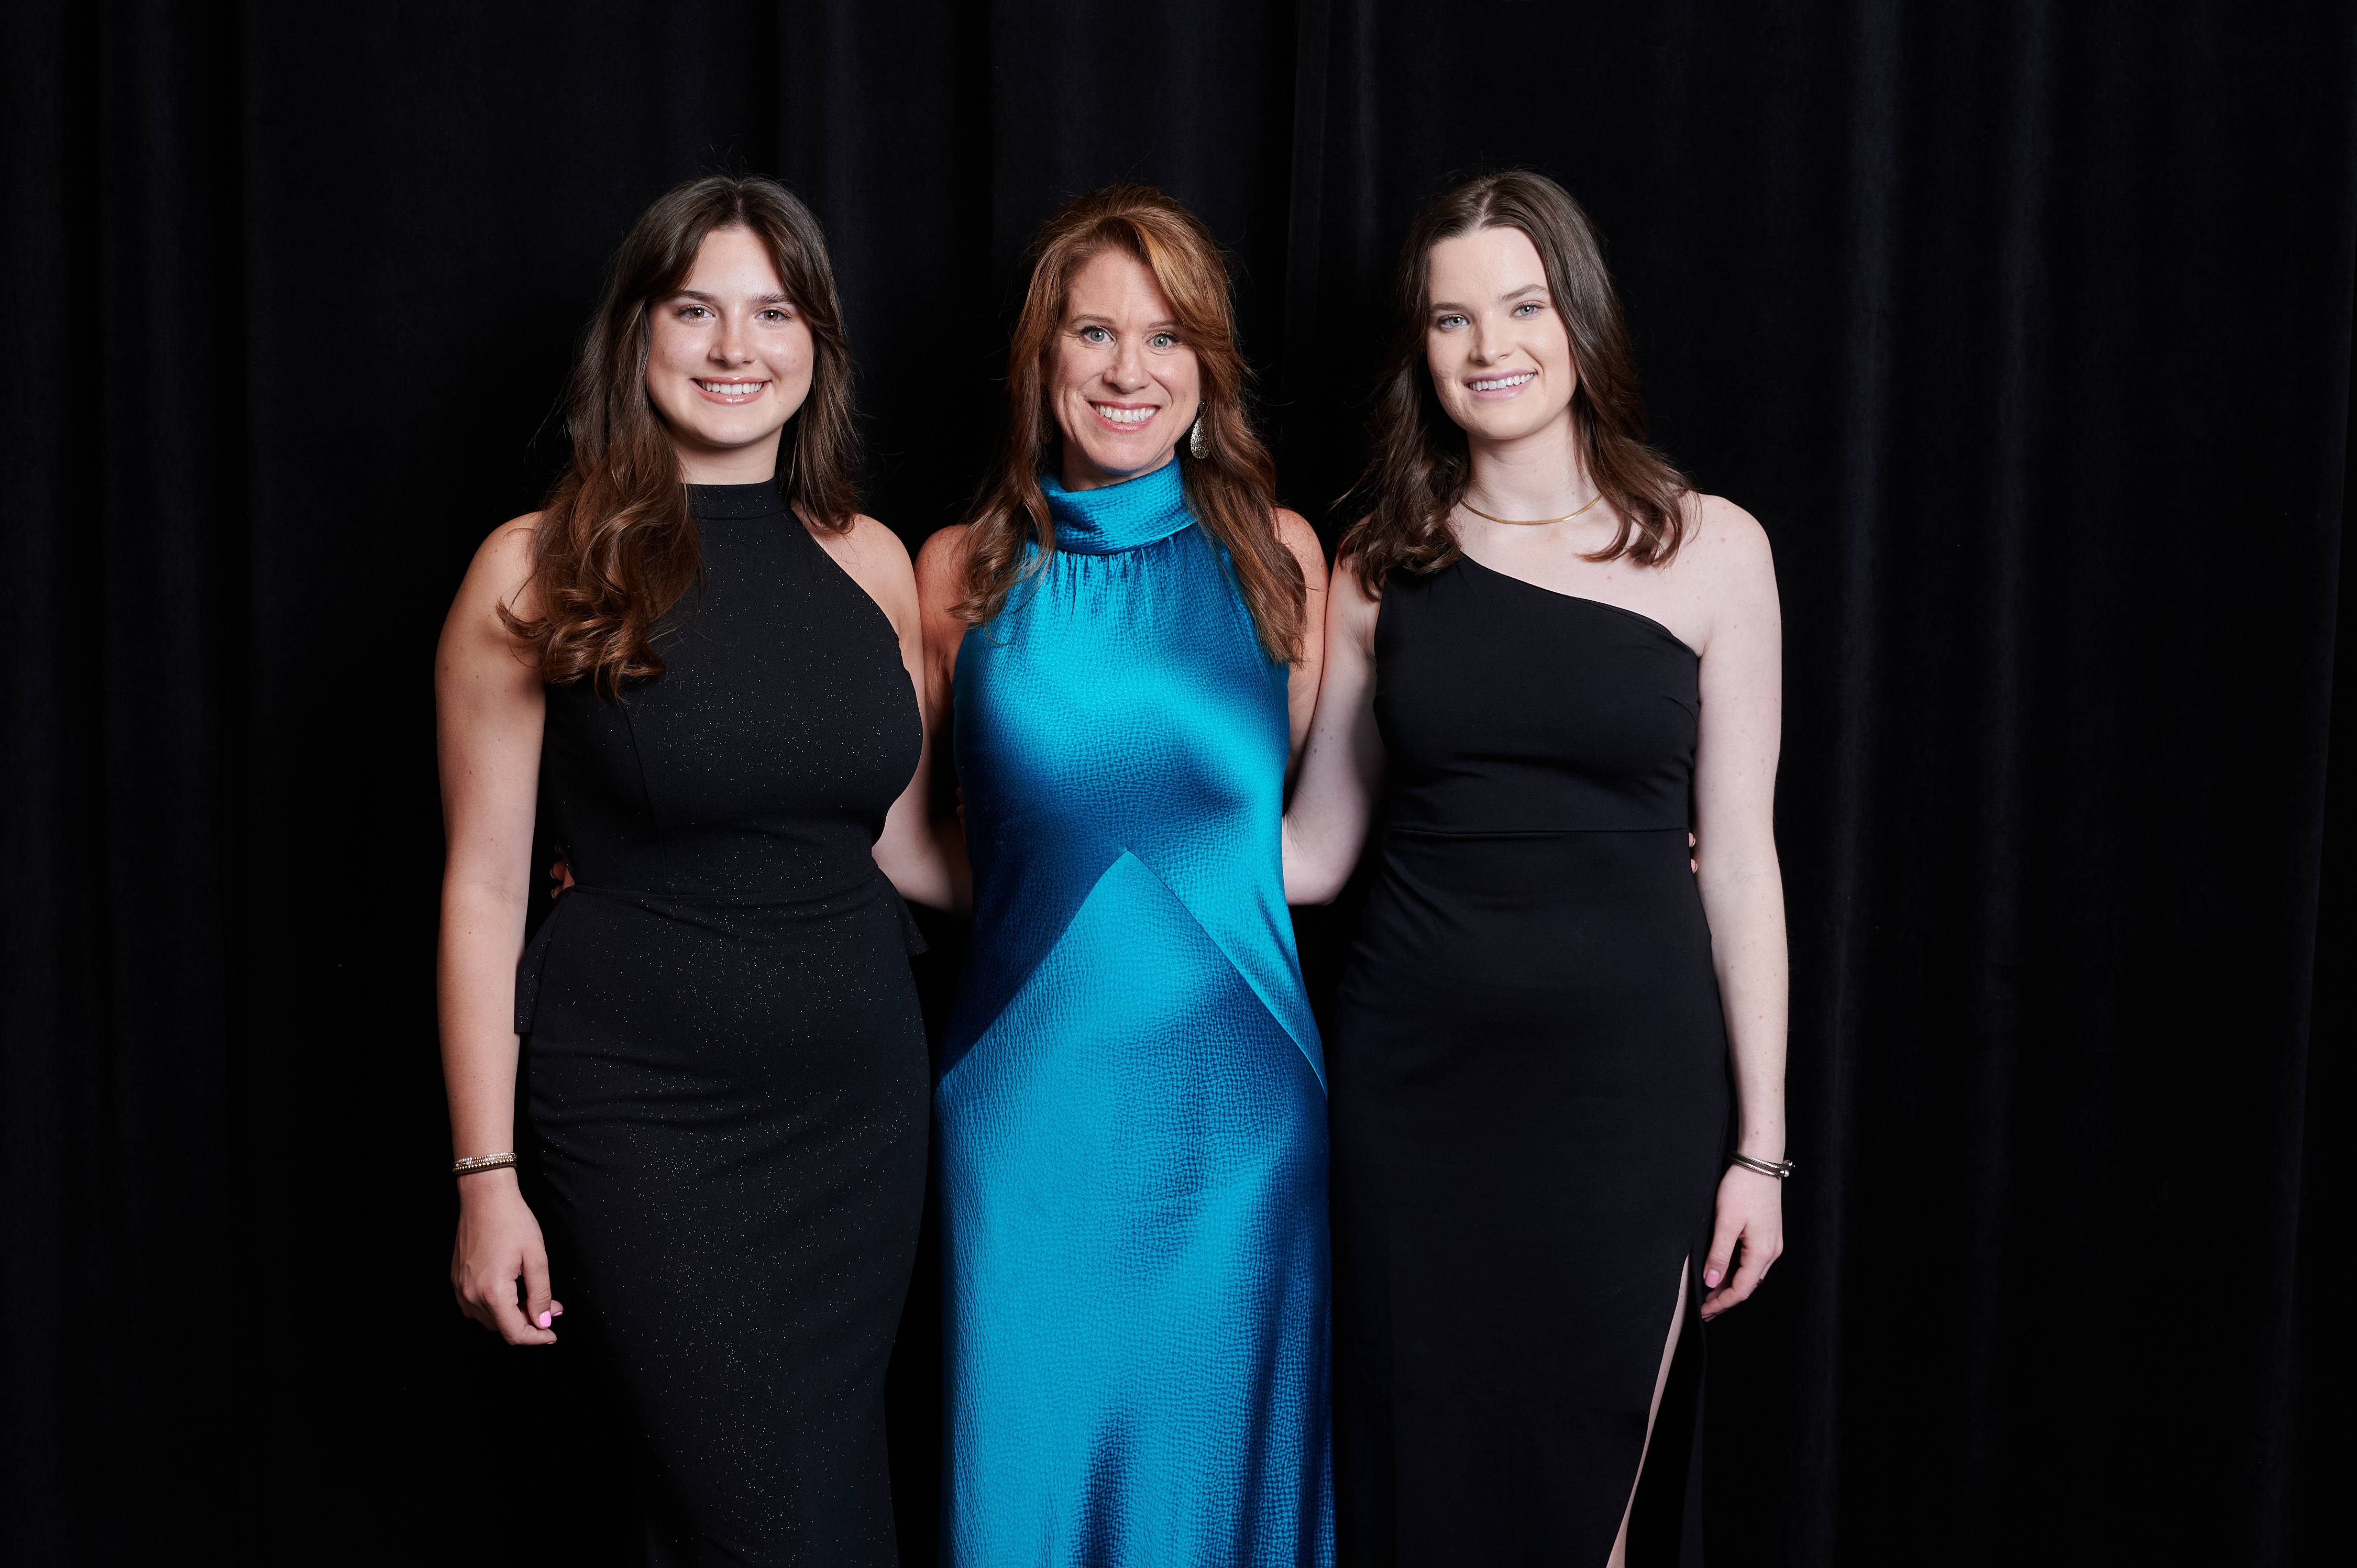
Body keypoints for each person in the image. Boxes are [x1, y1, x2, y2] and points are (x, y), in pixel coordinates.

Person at [435, 174, 949, 1563]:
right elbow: (484, 889)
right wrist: (486, 1177)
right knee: (766, 1519)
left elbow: (903, 845)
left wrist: (1144, 866)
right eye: (695, 310)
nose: (736, 347)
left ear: (817, 342)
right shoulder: (534, 568)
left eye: (774, 312)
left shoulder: (873, 560)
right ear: (637, 335)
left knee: (811, 1506)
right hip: (648, 1118)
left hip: (859, 1114)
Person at [1283, 169, 1790, 1566]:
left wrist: (1760, 1150)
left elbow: (1741, 866)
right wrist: (1088, 821)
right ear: (1422, 349)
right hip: (1413, 1090)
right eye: (1452, 318)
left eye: (1521, 306)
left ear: (1579, 318)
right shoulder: (1378, 564)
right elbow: (1314, 852)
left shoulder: (1712, 549)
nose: (1489, 345)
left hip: (1626, 1096)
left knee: (1585, 1514)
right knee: (1427, 1501)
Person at [913, 184, 1335, 1566]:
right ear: (1042, 358)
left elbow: (1284, 833)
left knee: (1218, 1494)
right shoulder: (955, 572)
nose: (1125, 371)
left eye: (1164, 338)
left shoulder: (1280, 555)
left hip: (1239, 1119)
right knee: (1029, 1480)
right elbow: (899, 830)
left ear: (1206, 366)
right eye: (1092, 333)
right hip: (1025, 1109)